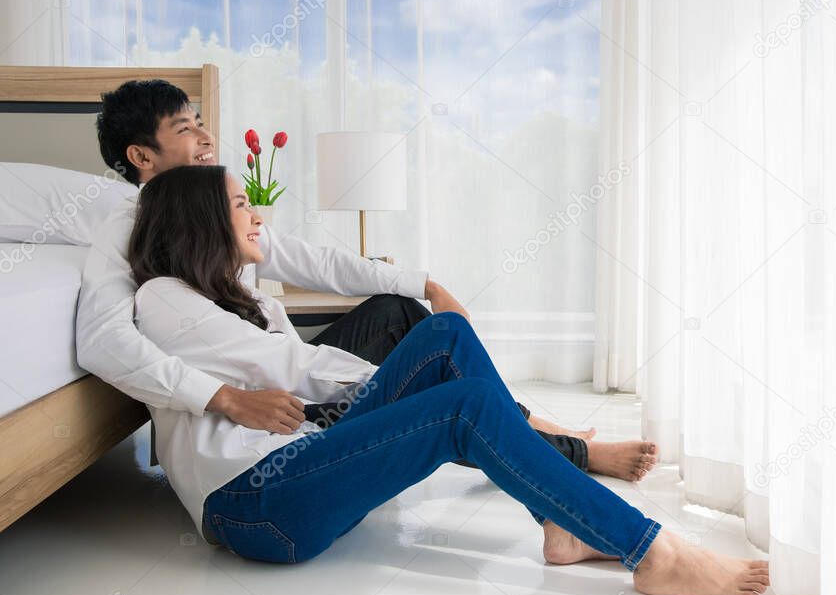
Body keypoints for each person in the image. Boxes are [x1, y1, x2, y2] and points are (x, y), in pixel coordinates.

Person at [125, 164, 770, 595]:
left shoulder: (250, 298)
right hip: (256, 506)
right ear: (202, 222)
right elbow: (290, 370)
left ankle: (562, 523)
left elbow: (304, 370)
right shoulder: (162, 298)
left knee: (444, 338)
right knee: (462, 402)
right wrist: (402, 389)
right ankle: (650, 552)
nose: (257, 214)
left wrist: (414, 359)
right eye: (240, 203)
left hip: (301, 462)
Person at [75, 79, 658, 481]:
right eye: (185, 128)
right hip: (264, 396)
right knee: (429, 389)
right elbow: (105, 341)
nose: (205, 137)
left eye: (202, 123)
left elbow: (317, 262)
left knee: (399, 311)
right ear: (142, 156)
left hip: (286, 370)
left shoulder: (214, 215)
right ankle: (566, 452)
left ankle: (528, 427)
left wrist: (423, 282)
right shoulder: (124, 232)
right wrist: (223, 396)